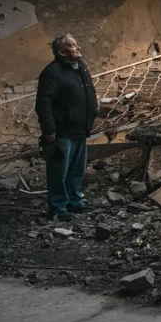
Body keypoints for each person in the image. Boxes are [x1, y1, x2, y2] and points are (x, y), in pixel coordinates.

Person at [35, 34, 98, 220]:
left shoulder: (81, 67)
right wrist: (49, 131)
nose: (78, 48)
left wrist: (92, 114)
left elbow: (90, 92)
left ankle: (74, 202)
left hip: (80, 128)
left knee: (76, 170)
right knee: (59, 172)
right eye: (72, 46)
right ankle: (58, 207)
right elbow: (43, 104)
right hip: (62, 131)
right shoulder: (52, 73)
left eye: (76, 44)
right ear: (62, 52)